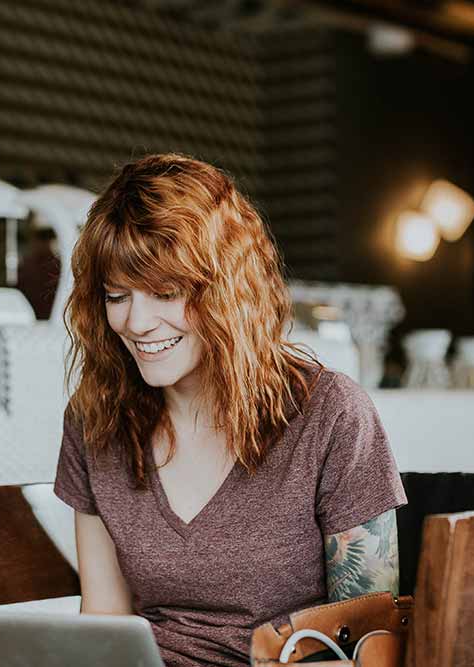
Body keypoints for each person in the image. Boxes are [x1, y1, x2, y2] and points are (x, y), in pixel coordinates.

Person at [53, 153, 407, 667]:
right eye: (116, 296)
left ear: (227, 292)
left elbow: (372, 646)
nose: (137, 322)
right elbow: (104, 621)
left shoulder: (330, 415)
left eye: (166, 293)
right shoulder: (95, 420)